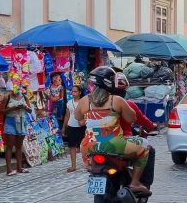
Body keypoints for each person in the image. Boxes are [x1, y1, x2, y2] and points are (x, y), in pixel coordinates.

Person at [74, 66, 149, 194]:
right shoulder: (117, 101)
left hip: (88, 146)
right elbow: (131, 118)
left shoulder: (84, 101)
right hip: (114, 144)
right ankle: (135, 182)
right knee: (145, 146)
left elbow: (78, 117)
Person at [2, 91, 31, 176]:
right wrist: (13, 108)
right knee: (10, 146)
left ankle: (19, 167)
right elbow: (2, 111)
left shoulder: (25, 97)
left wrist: (25, 107)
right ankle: (9, 169)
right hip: (10, 122)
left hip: (22, 122)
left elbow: (30, 110)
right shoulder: (7, 97)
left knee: (19, 146)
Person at [61, 85, 86, 173]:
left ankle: (87, 163)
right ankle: (73, 165)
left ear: (80, 92)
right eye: (72, 91)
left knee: (84, 145)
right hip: (71, 126)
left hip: (82, 126)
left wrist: (84, 120)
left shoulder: (84, 102)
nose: (73, 93)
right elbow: (67, 115)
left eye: (75, 91)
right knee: (72, 146)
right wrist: (64, 127)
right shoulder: (69, 102)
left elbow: (88, 113)